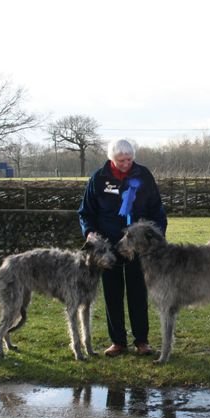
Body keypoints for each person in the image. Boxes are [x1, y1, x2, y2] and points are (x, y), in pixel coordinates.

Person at [78, 139, 167, 357]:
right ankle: (117, 342)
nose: (126, 163)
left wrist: (158, 237)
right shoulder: (98, 179)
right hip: (108, 247)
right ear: (112, 159)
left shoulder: (143, 175)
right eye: (121, 160)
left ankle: (142, 341)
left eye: (129, 159)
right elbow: (85, 212)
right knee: (112, 293)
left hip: (138, 247)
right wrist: (89, 231)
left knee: (138, 292)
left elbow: (157, 211)